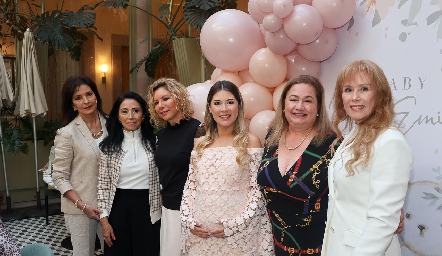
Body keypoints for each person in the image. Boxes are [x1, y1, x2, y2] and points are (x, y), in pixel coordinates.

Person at [321, 60, 412, 255]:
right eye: (347, 89)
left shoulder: (390, 142)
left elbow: (382, 220)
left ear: (379, 95)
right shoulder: (352, 137)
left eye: (363, 89)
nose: (355, 97)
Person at [180, 80, 273, 255]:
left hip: (238, 239)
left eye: (230, 102)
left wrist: (235, 226)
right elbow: (190, 187)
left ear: (239, 106)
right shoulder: (200, 144)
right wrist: (188, 220)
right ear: (210, 108)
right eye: (217, 103)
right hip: (201, 239)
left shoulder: (250, 142)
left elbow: (256, 191)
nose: (224, 109)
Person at [257, 75, 336, 256]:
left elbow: (354, 187)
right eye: (293, 99)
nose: (299, 106)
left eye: (308, 101)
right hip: (276, 242)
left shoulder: (332, 144)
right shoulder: (272, 136)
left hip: (317, 247)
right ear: (284, 104)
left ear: (318, 107)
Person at [97, 92, 161, 255]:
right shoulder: (108, 147)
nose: (130, 116)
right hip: (118, 209)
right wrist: (104, 222)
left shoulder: (156, 143)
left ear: (144, 115)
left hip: (149, 209)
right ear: (117, 116)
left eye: (136, 111)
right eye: (124, 111)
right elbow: (103, 187)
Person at [147, 78, 205, 256]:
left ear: (179, 98)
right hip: (169, 209)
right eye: (156, 102)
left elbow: (204, 174)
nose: (160, 105)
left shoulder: (198, 130)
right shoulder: (161, 135)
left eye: (165, 99)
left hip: (192, 211)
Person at [52, 75, 106, 256]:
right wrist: (83, 206)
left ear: (96, 95)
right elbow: (59, 176)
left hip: (112, 205)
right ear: (72, 104)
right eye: (78, 98)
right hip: (80, 209)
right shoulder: (66, 133)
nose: (86, 101)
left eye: (89, 94)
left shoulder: (114, 124)